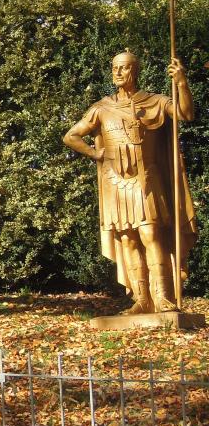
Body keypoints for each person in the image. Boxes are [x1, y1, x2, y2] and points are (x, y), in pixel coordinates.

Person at [63, 51, 196, 314]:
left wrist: (181, 83)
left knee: (150, 234)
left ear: (135, 70)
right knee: (129, 239)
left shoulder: (155, 101)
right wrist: (94, 153)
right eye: (114, 68)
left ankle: (164, 298)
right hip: (115, 182)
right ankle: (142, 299)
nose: (118, 73)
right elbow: (71, 136)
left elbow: (185, 114)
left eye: (123, 68)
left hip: (146, 178)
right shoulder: (101, 108)